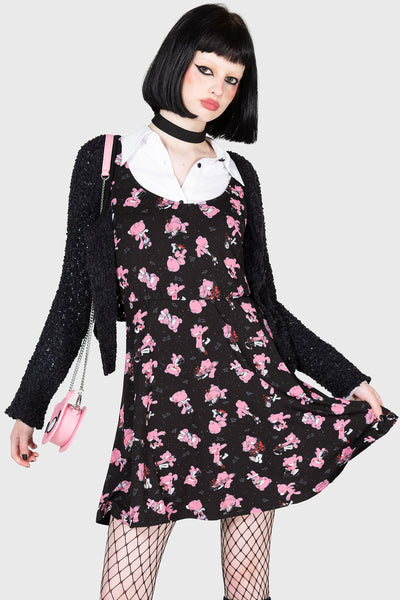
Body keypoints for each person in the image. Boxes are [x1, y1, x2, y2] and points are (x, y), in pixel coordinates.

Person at [5, 4, 398, 600]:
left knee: (248, 590)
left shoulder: (238, 177)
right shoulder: (107, 160)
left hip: (251, 398)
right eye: (206, 69)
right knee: (122, 591)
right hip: (156, 405)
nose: (218, 89)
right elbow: (73, 295)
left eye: (232, 79)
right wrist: (30, 406)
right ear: (175, 63)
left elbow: (265, 307)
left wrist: (349, 379)